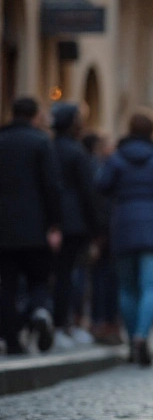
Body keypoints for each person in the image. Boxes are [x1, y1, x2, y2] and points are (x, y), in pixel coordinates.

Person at [97, 111, 153, 367]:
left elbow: (101, 185)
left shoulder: (116, 158)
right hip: (152, 224)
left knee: (127, 287)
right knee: (149, 286)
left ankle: (131, 336)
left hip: (123, 223)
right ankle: (141, 336)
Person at [0, 97, 62, 355]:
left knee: (7, 285)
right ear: (35, 115)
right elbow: (51, 186)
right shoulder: (40, 143)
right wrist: (55, 224)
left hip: (3, 228)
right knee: (38, 280)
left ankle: (12, 338)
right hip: (36, 227)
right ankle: (37, 312)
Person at [49, 103, 98, 345]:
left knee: (54, 275)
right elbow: (88, 191)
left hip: (50, 220)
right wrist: (96, 226)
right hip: (74, 222)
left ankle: (55, 320)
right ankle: (66, 323)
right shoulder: (77, 153)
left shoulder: (49, 146)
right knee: (70, 275)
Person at [82, 131, 121, 345]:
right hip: (107, 230)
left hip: (109, 229)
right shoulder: (103, 168)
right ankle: (102, 321)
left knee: (104, 278)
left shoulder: (105, 168)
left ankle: (104, 321)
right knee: (103, 278)